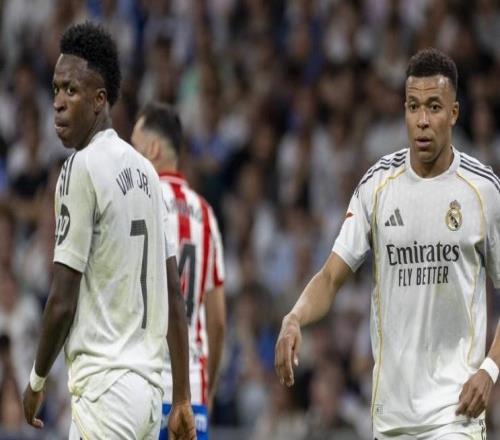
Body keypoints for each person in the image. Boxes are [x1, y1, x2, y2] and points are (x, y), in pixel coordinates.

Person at [275, 47, 500, 438]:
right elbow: (330, 277)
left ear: (454, 113)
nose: (422, 120)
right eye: (413, 107)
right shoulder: (377, 186)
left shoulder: (483, 191)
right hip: (391, 417)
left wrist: (490, 369)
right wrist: (294, 317)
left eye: (434, 107)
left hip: (456, 413)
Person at [22, 22, 195, 440]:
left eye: (71, 90)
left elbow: (62, 299)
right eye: (56, 89)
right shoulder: (147, 174)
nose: (58, 103)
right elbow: (173, 293)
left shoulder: (80, 169)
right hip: (148, 394)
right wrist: (182, 398)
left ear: (100, 100)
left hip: (105, 390)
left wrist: (36, 381)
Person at [131, 102, 226, 440]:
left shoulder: (136, 203)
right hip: (193, 393)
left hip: (141, 390)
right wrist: (208, 389)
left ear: (153, 149)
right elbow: (218, 320)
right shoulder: (206, 215)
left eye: (135, 145)